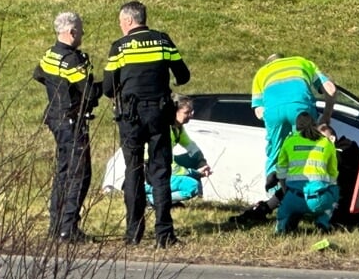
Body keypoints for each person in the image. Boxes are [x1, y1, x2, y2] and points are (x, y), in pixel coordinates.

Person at [103, 0, 190, 248]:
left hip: (130, 116)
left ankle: (133, 233)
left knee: (133, 172)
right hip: (159, 114)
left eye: (121, 22)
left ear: (129, 21)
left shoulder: (120, 47)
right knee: (161, 172)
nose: (120, 26)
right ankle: (164, 233)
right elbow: (183, 76)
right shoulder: (163, 41)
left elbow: (109, 88)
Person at [230, 54, 337, 223]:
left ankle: (276, 198)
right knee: (307, 150)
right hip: (300, 106)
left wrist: (276, 122)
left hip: (273, 111)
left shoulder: (262, 72)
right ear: (284, 59)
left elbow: (259, 112)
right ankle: (310, 197)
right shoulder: (302, 62)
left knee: (276, 154)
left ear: (270, 63)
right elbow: (330, 89)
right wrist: (327, 115)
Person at [33, 11, 101, 243]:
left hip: (55, 118)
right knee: (79, 174)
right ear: (71, 32)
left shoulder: (49, 55)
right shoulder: (71, 60)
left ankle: (56, 225)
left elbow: (38, 74)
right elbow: (89, 92)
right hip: (72, 120)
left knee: (63, 173)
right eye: (81, 30)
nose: (82, 34)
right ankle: (68, 229)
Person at [274, 112, 339, 234]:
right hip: (319, 199)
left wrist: (285, 191)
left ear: (297, 126)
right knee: (335, 189)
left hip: (294, 197)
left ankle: (282, 227)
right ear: (315, 125)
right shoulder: (326, 143)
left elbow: (281, 171)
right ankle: (323, 221)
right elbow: (333, 173)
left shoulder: (289, 142)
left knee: (283, 213)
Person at [144, 94, 212, 206]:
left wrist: (202, 164)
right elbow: (172, 166)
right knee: (192, 186)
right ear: (175, 111)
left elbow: (192, 147)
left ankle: (164, 197)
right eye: (187, 112)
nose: (191, 115)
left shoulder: (178, 128)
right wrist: (195, 173)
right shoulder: (166, 131)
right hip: (155, 169)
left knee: (192, 159)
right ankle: (150, 198)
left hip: (163, 166)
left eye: (192, 112)